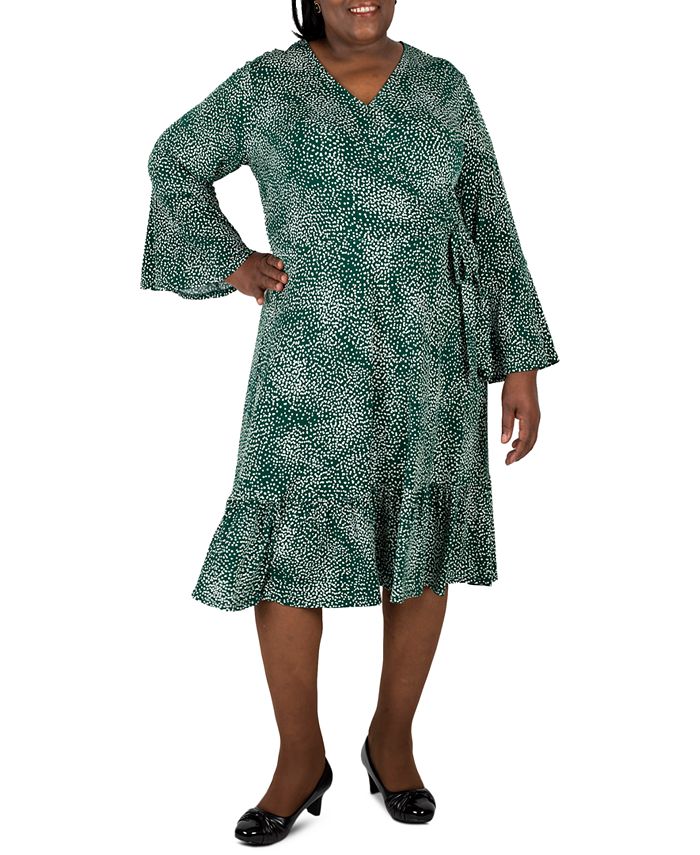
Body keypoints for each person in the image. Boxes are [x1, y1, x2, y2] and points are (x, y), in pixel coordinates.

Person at [140, 0, 559, 845]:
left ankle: (391, 740)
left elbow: (491, 224)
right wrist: (232, 262)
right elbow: (173, 160)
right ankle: (301, 756)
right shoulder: (266, 86)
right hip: (308, 368)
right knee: (286, 556)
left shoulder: (442, 88)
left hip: (431, 364)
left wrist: (518, 362)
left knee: (423, 547)